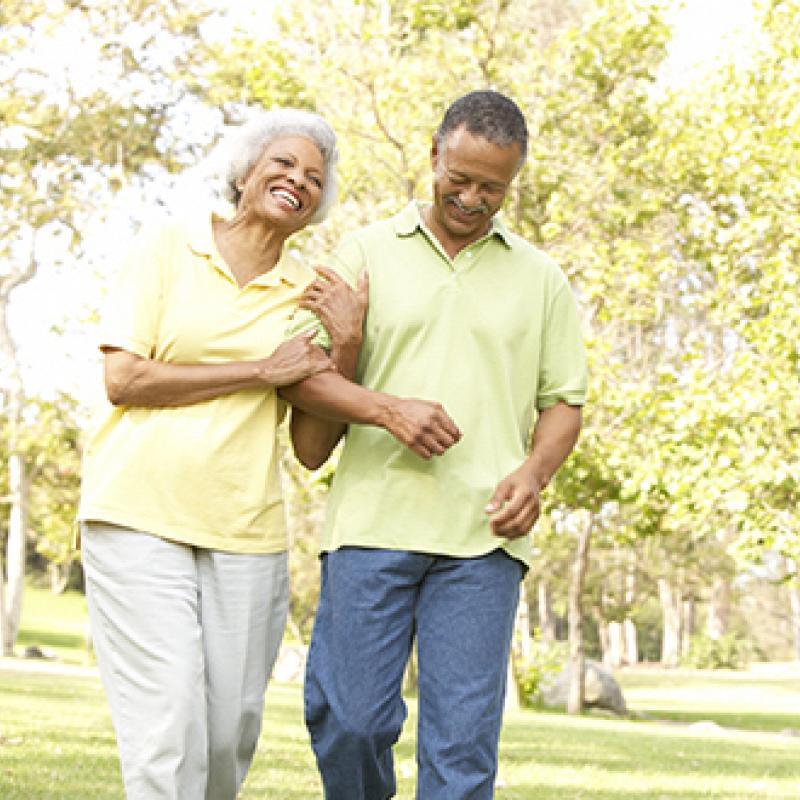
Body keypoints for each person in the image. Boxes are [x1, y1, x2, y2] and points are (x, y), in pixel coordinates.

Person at [283, 90, 588, 799]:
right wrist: (389, 411)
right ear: (433, 155)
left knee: (461, 750)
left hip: (483, 541)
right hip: (372, 523)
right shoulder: (362, 253)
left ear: (514, 180)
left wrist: (535, 475)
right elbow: (301, 378)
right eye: (462, 179)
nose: (474, 198)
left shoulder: (541, 279)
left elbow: (563, 404)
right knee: (349, 720)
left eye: (494, 187)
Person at [77, 108, 359, 800]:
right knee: (166, 721)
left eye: (314, 178)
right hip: (137, 513)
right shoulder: (169, 248)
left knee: (229, 729)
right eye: (283, 164)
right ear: (245, 171)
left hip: (245, 532)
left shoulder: (308, 293)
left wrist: (346, 345)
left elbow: (312, 448)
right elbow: (125, 379)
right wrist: (260, 371)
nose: (298, 180)